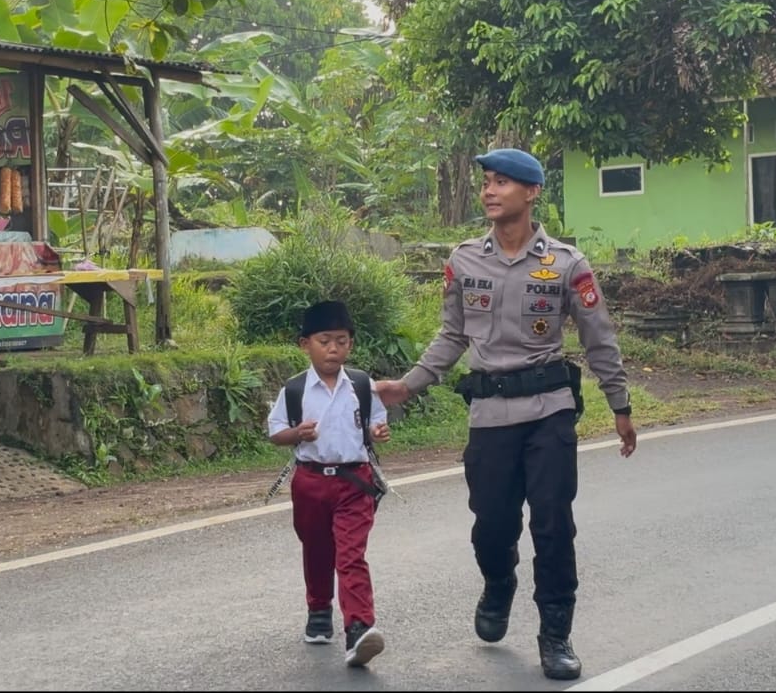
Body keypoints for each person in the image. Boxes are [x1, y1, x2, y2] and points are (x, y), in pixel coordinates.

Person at [375, 148, 638, 681]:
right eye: (487, 183)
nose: (490, 191)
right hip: (490, 415)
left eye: (503, 183)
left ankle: (555, 635)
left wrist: (620, 405)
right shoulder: (465, 260)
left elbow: (598, 338)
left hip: (550, 413)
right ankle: (499, 583)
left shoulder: (567, 263)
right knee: (492, 527)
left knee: (553, 525)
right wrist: (408, 385)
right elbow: (451, 335)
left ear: (532, 192)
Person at [266, 300, 392, 668]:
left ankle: (359, 628)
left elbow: (375, 424)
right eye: (325, 341)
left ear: (351, 344)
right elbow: (276, 434)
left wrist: (378, 431)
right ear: (305, 345)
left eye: (341, 340)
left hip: (355, 481)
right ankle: (319, 611)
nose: (334, 348)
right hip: (310, 482)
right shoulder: (294, 390)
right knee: (317, 548)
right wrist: (296, 433)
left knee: (351, 555)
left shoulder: (361, 385)